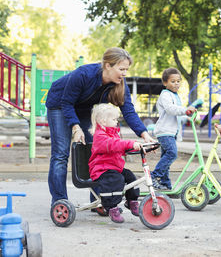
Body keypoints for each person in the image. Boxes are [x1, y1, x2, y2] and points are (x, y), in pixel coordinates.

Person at [45, 47, 154, 205]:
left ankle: (97, 201)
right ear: (108, 66)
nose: (124, 73)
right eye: (121, 69)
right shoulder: (84, 74)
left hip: (83, 109)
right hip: (60, 105)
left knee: (95, 150)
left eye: (126, 70)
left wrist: (145, 135)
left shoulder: (119, 84)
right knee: (61, 154)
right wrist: (76, 128)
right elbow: (67, 102)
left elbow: (129, 112)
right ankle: (60, 202)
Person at [89, 103, 141, 223]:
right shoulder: (100, 136)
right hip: (102, 170)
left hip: (114, 167)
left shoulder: (112, 133)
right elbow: (114, 145)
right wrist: (130, 143)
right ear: (103, 121)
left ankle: (132, 201)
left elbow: (121, 148)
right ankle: (111, 207)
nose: (116, 121)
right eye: (114, 119)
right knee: (115, 179)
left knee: (130, 176)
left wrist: (139, 147)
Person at [151, 68, 196, 190]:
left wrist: (188, 116)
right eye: (173, 81)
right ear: (165, 83)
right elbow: (171, 109)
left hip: (171, 132)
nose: (176, 84)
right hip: (164, 132)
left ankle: (165, 183)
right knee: (172, 153)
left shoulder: (175, 96)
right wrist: (185, 110)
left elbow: (178, 115)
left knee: (165, 157)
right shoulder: (165, 95)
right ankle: (154, 176)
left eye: (178, 81)